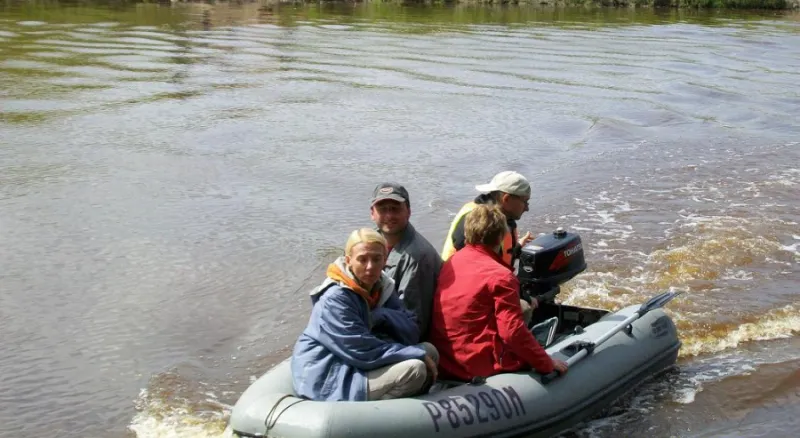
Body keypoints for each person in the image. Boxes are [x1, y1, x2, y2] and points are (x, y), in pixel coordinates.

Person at [291, 228, 439, 402]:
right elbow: (361, 350)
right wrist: (413, 353)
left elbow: (411, 332)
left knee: (430, 351)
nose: (370, 267)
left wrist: (382, 315)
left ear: (385, 260)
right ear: (349, 261)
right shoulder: (335, 298)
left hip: (358, 363)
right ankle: (373, 415)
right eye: (362, 259)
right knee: (414, 369)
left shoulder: (382, 287)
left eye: (376, 259)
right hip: (329, 372)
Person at [428, 204, 568, 382]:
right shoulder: (501, 276)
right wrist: (546, 363)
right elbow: (512, 332)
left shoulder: (451, 263)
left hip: (445, 361)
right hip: (475, 367)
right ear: (501, 236)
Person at [370, 182, 442, 340]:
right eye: (382, 209)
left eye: (395, 209)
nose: (389, 216)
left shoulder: (417, 257)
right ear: (372, 213)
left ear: (408, 212)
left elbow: (413, 325)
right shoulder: (368, 243)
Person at [441, 170, 535, 269]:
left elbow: (499, 255)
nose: (527, 208)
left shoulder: (504, 217)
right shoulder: (479, 223)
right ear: (506, 199)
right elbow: (472, 269)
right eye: (525, 201)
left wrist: (518, 246)